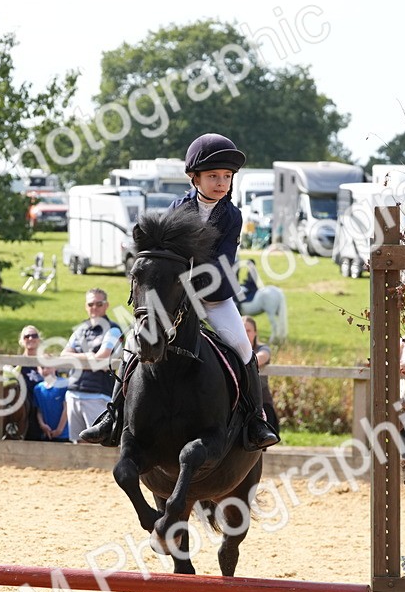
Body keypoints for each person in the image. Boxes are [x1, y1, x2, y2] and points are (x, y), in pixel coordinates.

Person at [79, 132, 279, 451]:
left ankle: (256, 419)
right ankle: (112, 415)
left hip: (214, 294)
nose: (221, 182)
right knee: (133, 345)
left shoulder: (232, 216)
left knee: (242, 347)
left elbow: (223, 261)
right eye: (213, 176)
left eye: (227, 176)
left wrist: (194, 284)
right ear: (193, 177)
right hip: (175, 297)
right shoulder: (177, 208)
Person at [64, 289, 123, 443]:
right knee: (77, 443)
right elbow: (64, 355)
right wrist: (89, 357)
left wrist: (79, 357)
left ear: (106, 305)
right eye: (91, 304)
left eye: (99, 304)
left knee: (99, 442)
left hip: (98, 394)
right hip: (73, 392)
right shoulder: (80, 330)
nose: (94, 307)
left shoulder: (113, 329)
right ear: (86, 306)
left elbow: (102, 356)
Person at [244, 316, 279, 437]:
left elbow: (262, 357)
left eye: (248, 330)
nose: (245, 333)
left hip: (262, 401)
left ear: (255, 332)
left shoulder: (262, 348)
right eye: (242, 330)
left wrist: (244, 362)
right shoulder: (233, 350)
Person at [17, 325, 47, 441]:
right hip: (22, 412)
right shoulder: (16, 363)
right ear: (21, 341)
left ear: (39, 339)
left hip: (43, 410)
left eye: (34, 335)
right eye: (26, 336)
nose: (30, 338)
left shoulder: (46, 363)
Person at [33, 365, 70, 442]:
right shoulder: (38, 389)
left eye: (48, 367)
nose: (45, 370)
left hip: (64, 434)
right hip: (46, 434)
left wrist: (59, 430)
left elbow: (66, 408)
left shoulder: (64, 384)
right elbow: (39, 410)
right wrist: (42, 424)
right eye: (42, 368)